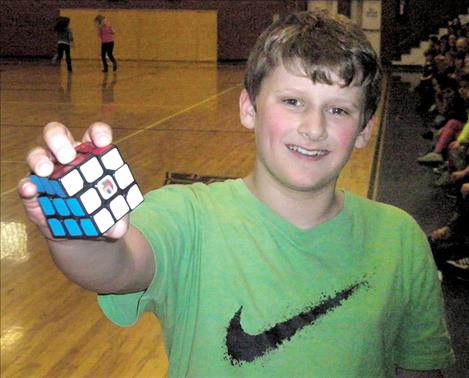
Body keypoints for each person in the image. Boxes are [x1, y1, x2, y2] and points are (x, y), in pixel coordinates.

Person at [18, 10, 455, 377]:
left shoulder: (399, 238)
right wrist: (74, 231)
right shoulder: (188, 215)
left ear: (364, 130)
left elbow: (419, 368)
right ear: (249, 108)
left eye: (338, 110)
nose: (315, 128)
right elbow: (115, 266)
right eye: (293, 101)